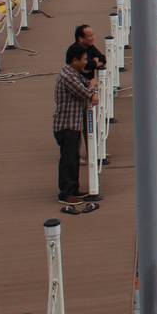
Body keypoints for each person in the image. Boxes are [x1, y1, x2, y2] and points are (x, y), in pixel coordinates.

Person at [54, 44, 97, 204]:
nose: (86, 62)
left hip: (73, 124)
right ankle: (65, 193)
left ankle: (74, 188)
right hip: (66, 125)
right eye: (84, 59)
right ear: (75, 60)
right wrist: (93, 90)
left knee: (74, 157)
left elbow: (86, 83)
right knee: (68, 159)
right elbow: (84, 92)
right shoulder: (68, 76)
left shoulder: (73, 73)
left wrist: (91, 86)